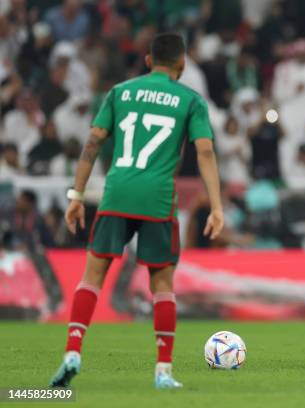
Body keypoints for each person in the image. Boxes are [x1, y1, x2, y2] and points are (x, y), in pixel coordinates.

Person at [49, 33, 224, 389]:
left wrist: (76, 195)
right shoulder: (191, 99)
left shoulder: (120, 92)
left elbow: (94, 141)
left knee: (92, 276)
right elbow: (204, 152)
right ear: (183, 64)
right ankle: (163, 371)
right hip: (157, 199)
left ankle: (72, 352)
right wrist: (216, 206)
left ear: (147, 61)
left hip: (116, 194)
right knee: (161, 284)